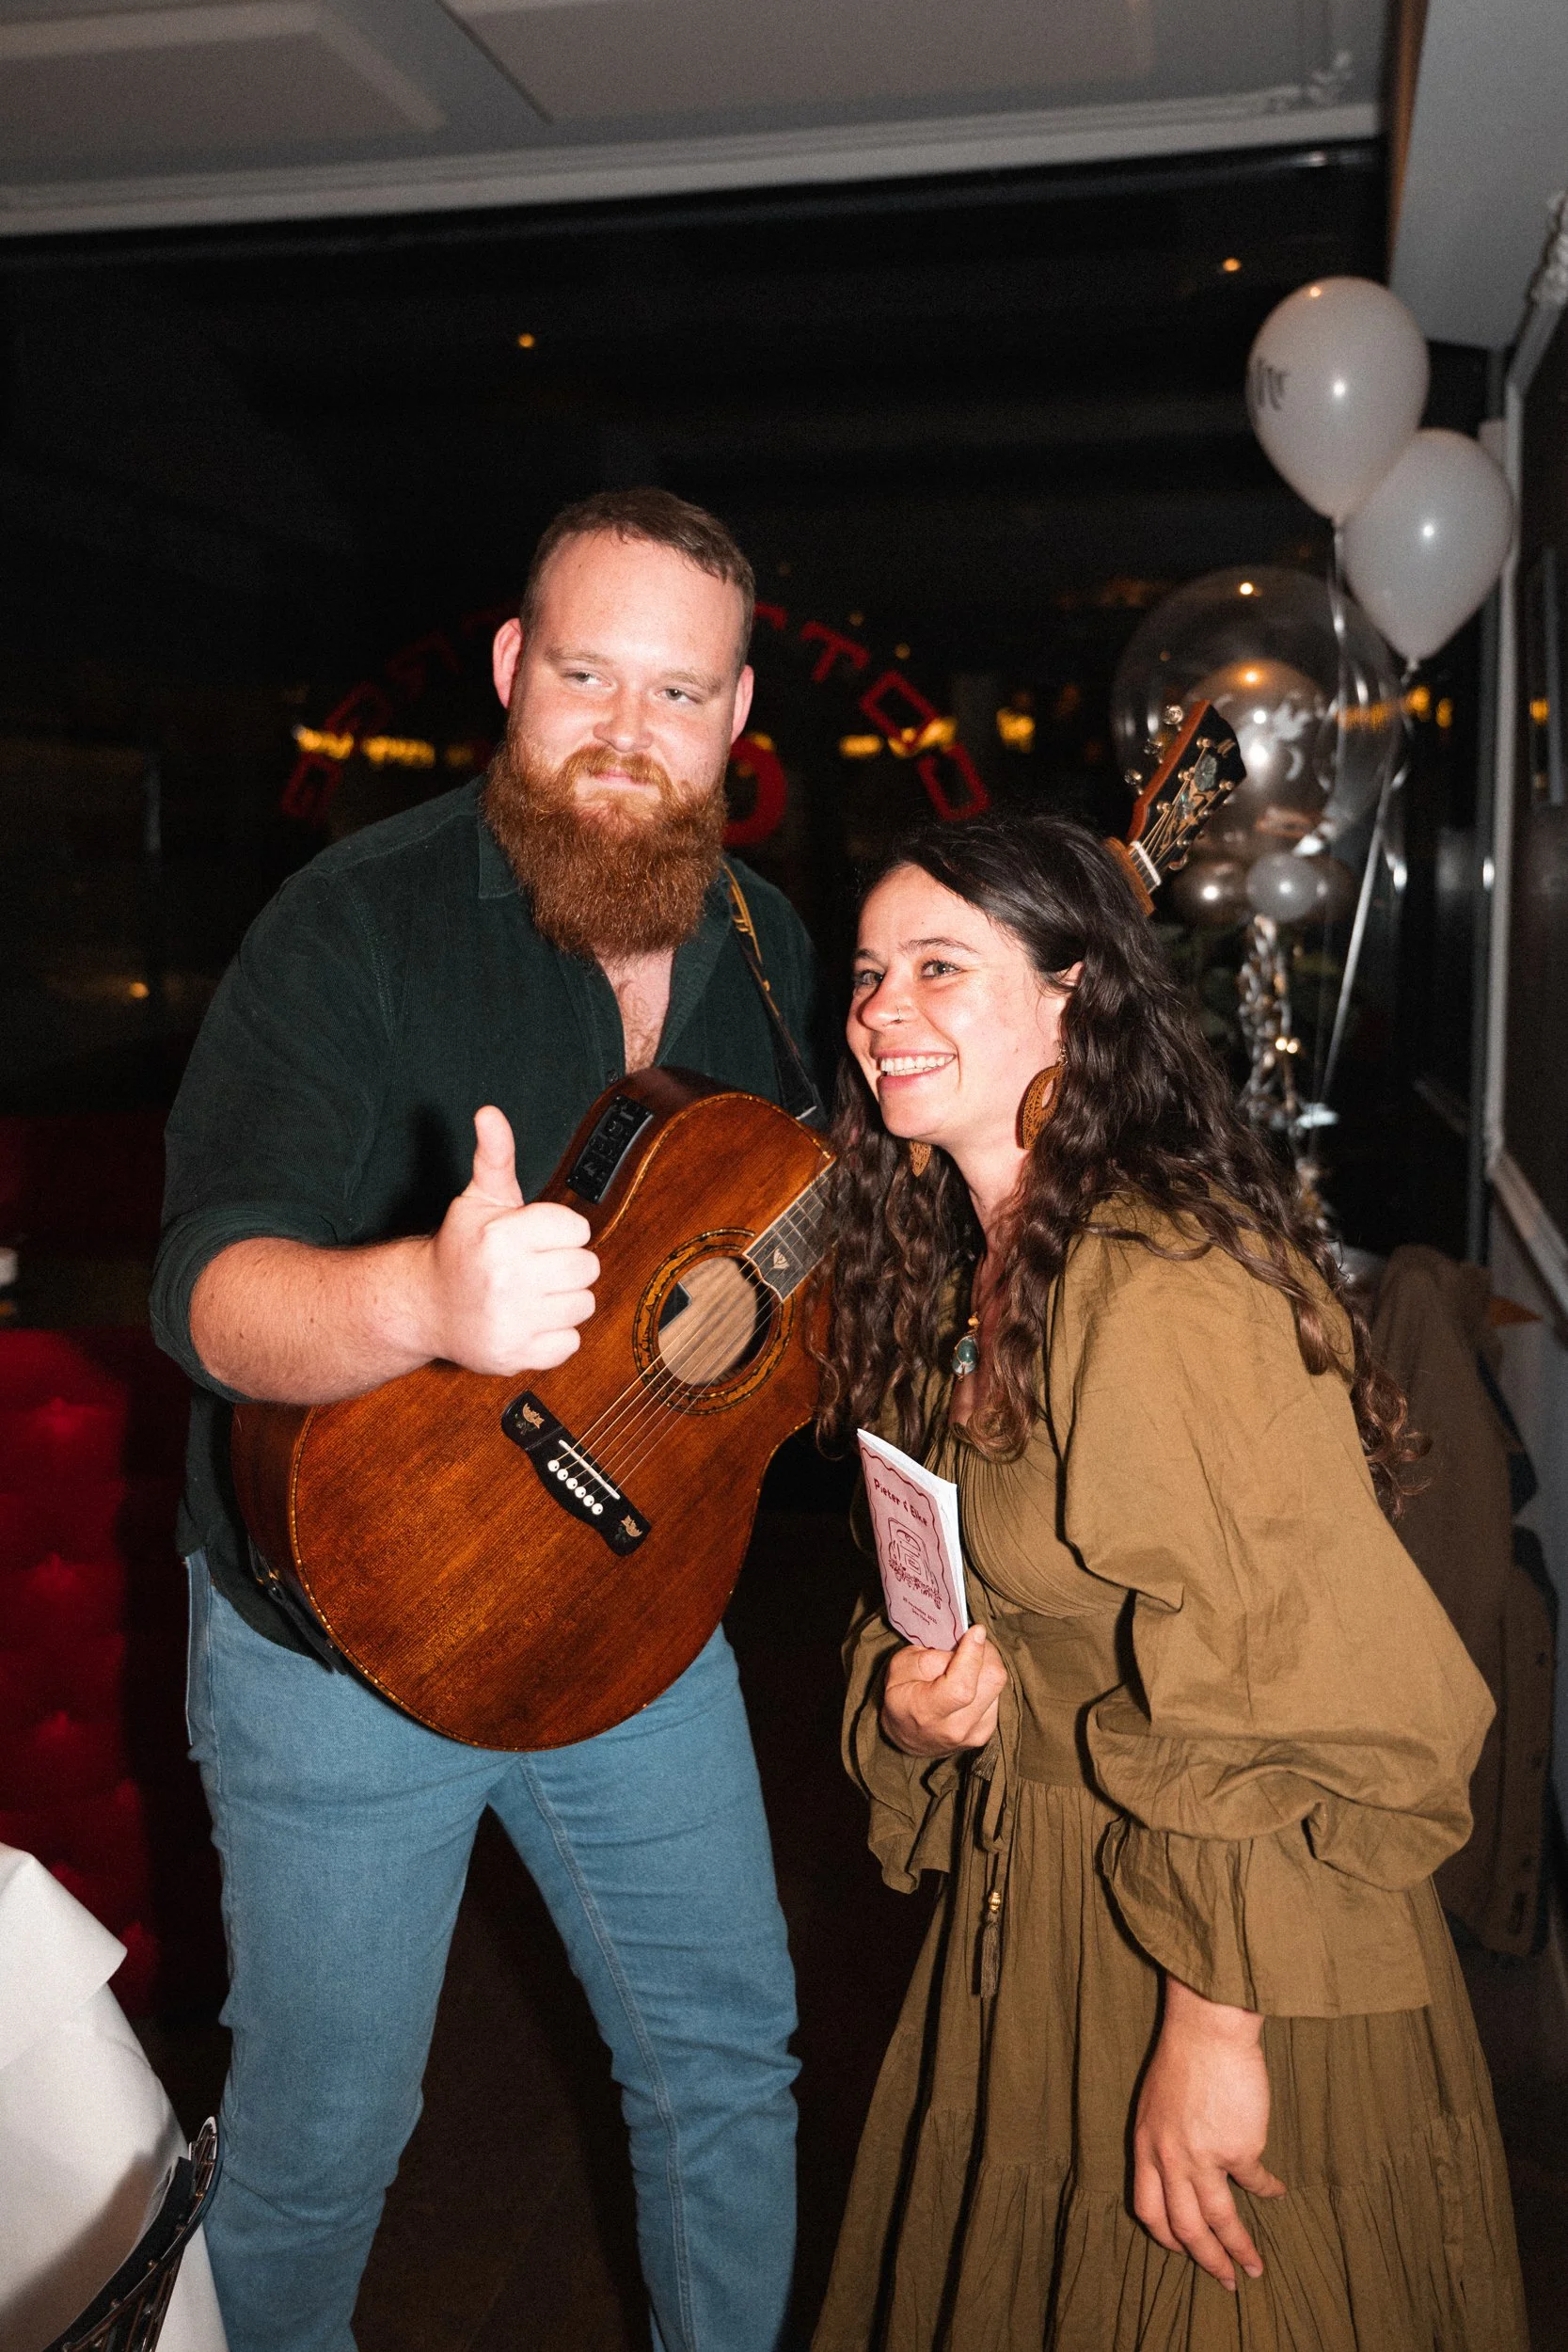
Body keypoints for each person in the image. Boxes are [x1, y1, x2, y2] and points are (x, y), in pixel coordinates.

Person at [151, 488, 812, 2352]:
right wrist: (419, 1306)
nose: (625, 730)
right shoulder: (352, 920)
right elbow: (202, 1290)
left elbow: (771, 1259)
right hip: (348, 1626)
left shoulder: (767, 942)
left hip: (627, 1607)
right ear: (513, 668)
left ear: (735, 716)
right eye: (585, 674)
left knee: (726, 2060)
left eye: (674, 692)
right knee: (325, 2142)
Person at [810, 812, 1528, 2351]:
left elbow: (1284, 1675)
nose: (880, 1011)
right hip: (1047, 1908)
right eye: (867, 974)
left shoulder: (1151, 1280)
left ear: (1074, 999)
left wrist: (1211, 2027)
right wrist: (914, 1706)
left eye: (938, 967)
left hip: (1227, 1937)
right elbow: (951, 1586)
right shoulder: (962, 1276)